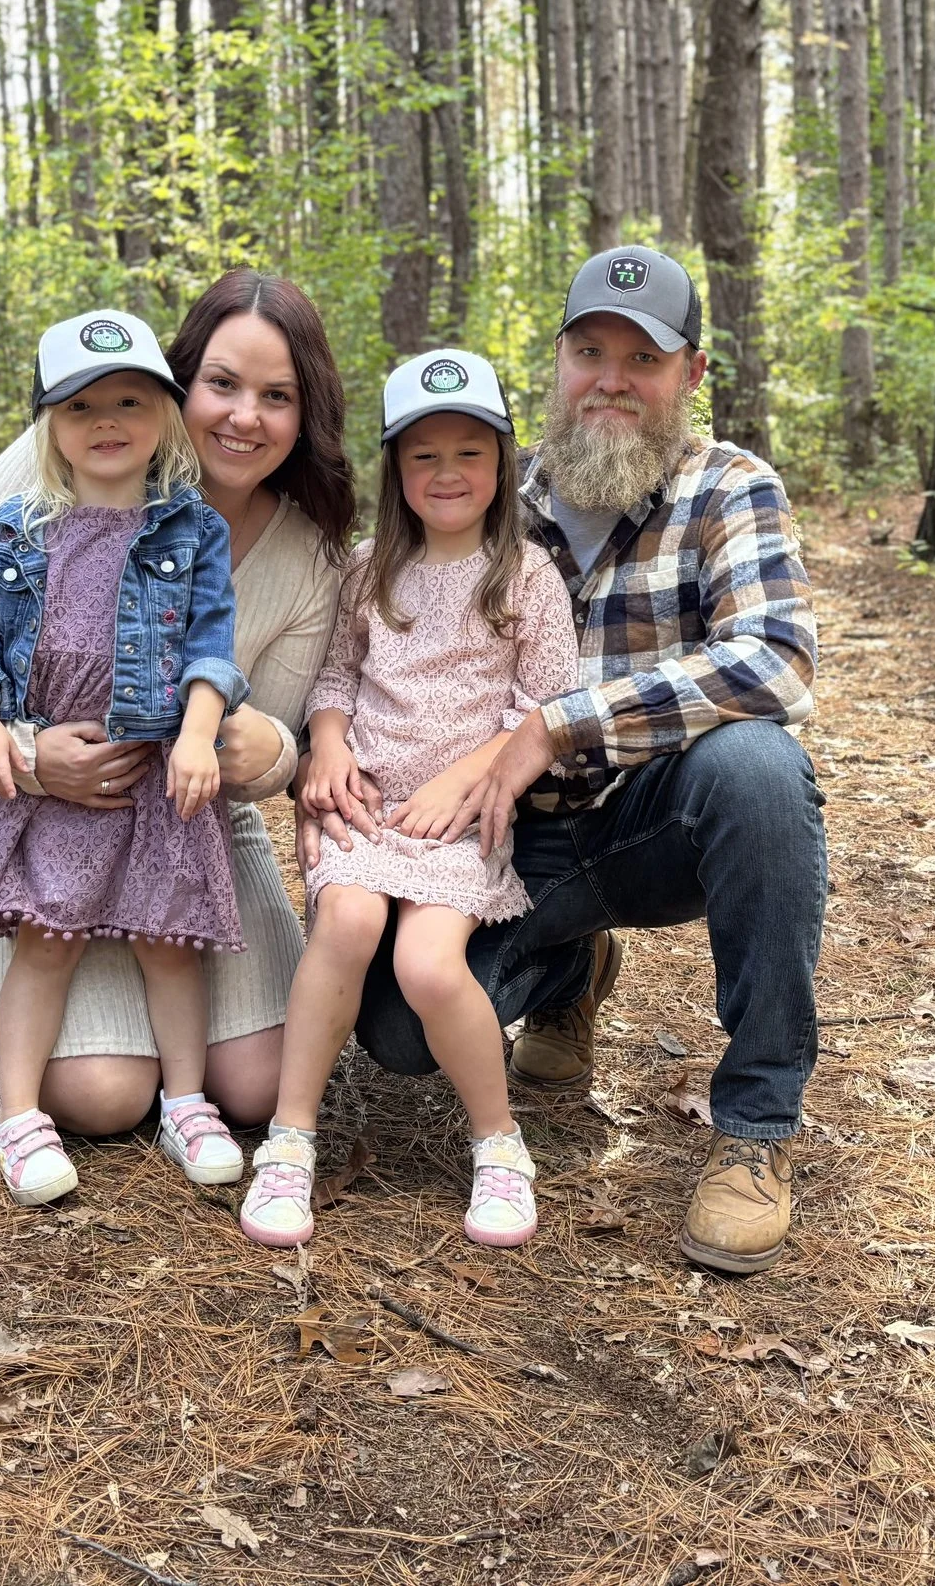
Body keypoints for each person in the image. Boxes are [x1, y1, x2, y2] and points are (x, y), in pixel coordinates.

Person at [321, 246, 825, 1275]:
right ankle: (567, 968)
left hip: (655, 819)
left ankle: (758, 1128)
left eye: (642, 359)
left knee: (763, 772)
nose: (610, 379)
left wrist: (551, 725)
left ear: (688, 376)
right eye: (589, 350)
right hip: (506, 847)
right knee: (401, 1036)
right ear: (557, 362)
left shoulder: (728, 488)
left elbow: (773, 664)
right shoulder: (491, 492)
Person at [0, 273, 352, 1156]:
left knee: (258, 1083)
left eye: (277, 396)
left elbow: (287, 741)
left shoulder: (306, 552)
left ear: (306, 416)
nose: (244, 417)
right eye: (223, 385)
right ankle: (53, 1083)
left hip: (181, 818)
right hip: (30, 805)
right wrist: (27, 749)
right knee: (104, 1095)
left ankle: (179, 1081)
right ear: (179, 384)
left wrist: (263, 751)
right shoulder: (61, 460)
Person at [240, 352, 580, 1252]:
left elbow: (539, 712)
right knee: (345, 925)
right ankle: (291, 1137)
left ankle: (499, 1143)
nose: (448, 473)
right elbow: (336, 678)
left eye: (470, 451)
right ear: (395, 468)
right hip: (368, 798)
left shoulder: (529, 576)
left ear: (503, 461)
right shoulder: (370, 567)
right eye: (423, 455)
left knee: (431, 966)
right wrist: (324, 744)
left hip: (465, 815)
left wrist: (462, 779)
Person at [0, 311, 247, 1204]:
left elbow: (212, 648)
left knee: (168, 939)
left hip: (157, 774)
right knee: (47, 938)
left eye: (129, 401)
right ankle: (19, 1113)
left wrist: (195, 734)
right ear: (48, 425)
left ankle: (187, 1101)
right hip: (60, 780)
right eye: (80, 407)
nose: (106, 421)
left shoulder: (191, 529)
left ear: (165, 416)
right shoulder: (20, 530)